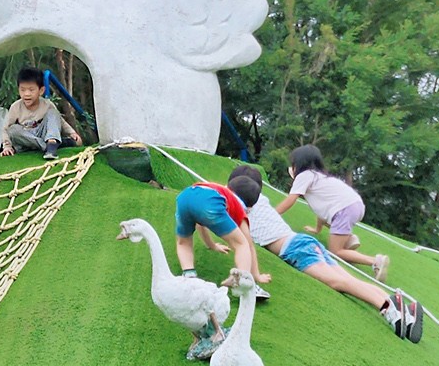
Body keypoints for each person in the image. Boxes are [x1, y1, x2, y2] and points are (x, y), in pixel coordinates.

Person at [228, 168, 422, 342]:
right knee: (346, 278)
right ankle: (400, 307)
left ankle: (388, 310)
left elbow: (245, 243)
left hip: (296, 248)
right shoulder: (261, 200)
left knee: (337, 282)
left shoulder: (243, 209)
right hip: (303, 242)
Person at [275, 145, 389, 282]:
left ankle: (375, 261)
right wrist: (317, 229)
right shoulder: (320, 176)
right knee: (336, 223)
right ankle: (348, 238)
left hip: (344, 210)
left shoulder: (304, 176)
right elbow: (324, 209)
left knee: (336, 251)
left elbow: (290, 200)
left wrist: (273, 213)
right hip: (355, 205)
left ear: (298, 164)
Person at [173, 179, 256, 281]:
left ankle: (189, 273)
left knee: (183, 242)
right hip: (209, 200)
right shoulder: (238, 206)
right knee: (242, 244)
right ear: (249, 208)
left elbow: (200, 224)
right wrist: (256, 275)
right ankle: (241, 279)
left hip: (185, 196)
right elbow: (247, 242)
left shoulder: (218, 189)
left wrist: (212, 245)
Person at [0, 66, 82, 160]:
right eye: (23, 90)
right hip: (25, 139)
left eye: (31, 90)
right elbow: (5, 129)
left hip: (43, 133)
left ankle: (51, 143)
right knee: (12, 129)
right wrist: (7, 146)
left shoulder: (47, 104)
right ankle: (50, 146)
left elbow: (59, 121)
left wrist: (72, 133)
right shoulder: (15, 107)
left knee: (53, 113)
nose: (26, 94)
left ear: (41, 90)